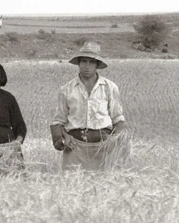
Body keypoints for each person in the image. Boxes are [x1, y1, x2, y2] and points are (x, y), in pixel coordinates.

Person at [50, 41, 127, 171]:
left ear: (97, 65)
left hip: (103, 147)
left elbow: (118, 119)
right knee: (71, 185)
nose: (87, 66)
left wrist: (114, 143)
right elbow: (58, 121)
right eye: (84, 61)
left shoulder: (110, 87)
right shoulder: (66, 89)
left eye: (91, 62)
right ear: (78, 63)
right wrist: (65, 136)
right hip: (75, 146)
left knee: (105, 186)